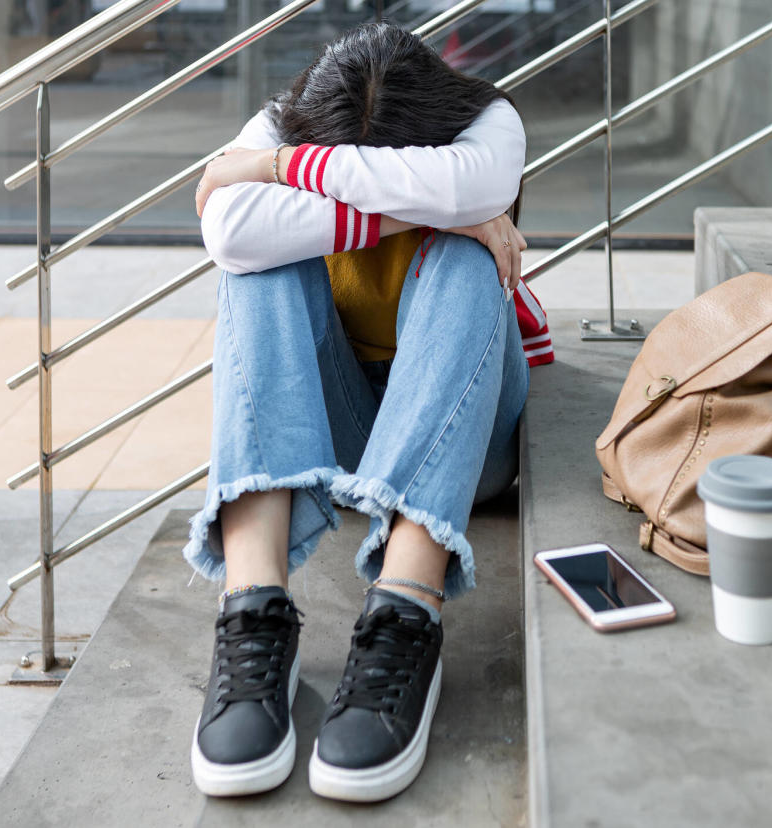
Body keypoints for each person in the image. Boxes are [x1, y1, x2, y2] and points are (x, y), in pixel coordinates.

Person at [183, 21, 552, 802]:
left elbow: (472, 192)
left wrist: (280, 174)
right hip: (347, 429)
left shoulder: (491, 119)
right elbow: (230, 231)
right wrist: (403, 204)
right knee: (256, 270)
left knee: (465, 250)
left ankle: (403, 613)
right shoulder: (278, 124)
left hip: (472, 432)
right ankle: (252, 609)